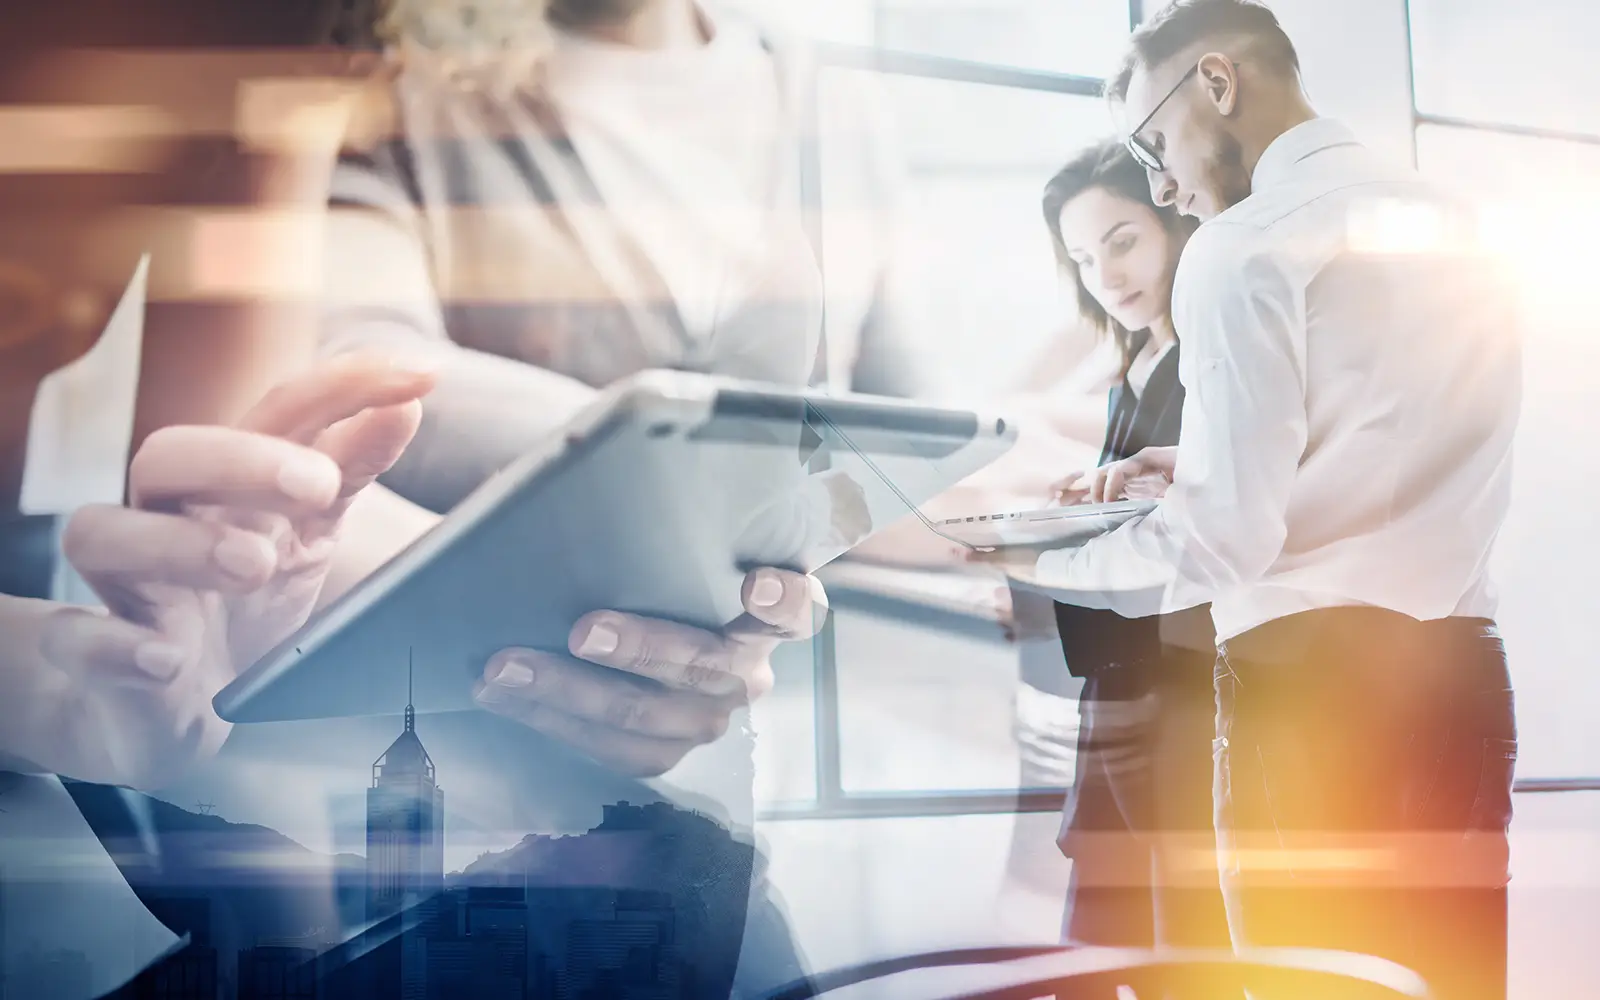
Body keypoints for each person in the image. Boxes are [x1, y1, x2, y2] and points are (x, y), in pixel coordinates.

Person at [990, 2, 1522, 998]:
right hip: (1460, 675)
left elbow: (1220, 546)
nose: (1161, 182)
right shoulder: (1458, 223)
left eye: (1155, 140)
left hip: (1306, 692)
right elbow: (1379, 440)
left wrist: (1035, 558)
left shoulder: (1240, 246)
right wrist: (1185, 469)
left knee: (1300, 983)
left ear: (1218, 83)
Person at [1029, 139, 1230, 959]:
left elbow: (1227, 505)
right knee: (1108, 942)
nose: (1105, 276)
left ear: (1175, 226)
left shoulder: (1218, 353)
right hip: (1114, 689)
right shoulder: (1129, 371)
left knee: (1184, 940)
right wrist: (1087, 499)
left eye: (1121, 241)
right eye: (1082, 258)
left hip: (1188, 686)